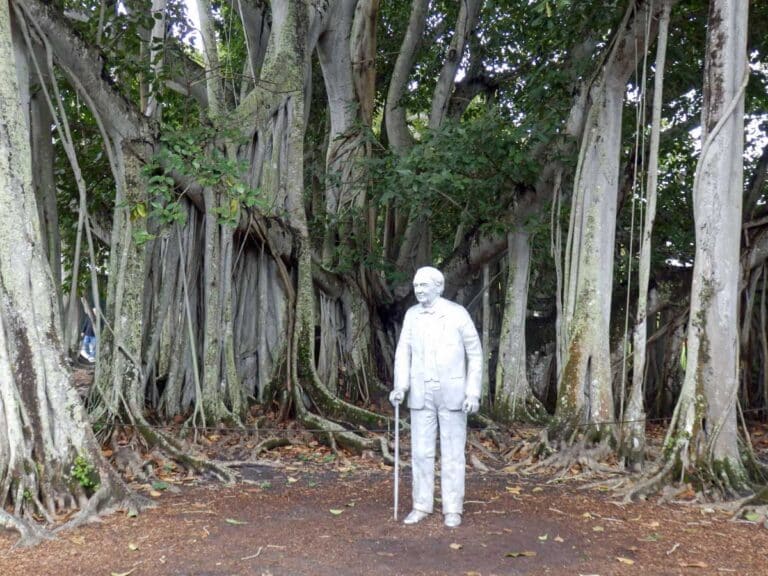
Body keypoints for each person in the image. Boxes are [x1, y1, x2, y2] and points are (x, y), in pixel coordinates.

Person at [389, 266, 482, 528]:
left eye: (424, 286)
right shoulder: (411, 316)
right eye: (416, 286)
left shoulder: (457, 314)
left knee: (452, 453)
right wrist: (401, 386)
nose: (419, 290)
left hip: (452, 393)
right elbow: (403, 353)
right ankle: (421, 504)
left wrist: (472, 392)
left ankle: (453, 508)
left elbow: (474, 354)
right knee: (421, 452)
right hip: (420, 392)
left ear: (438, 287)